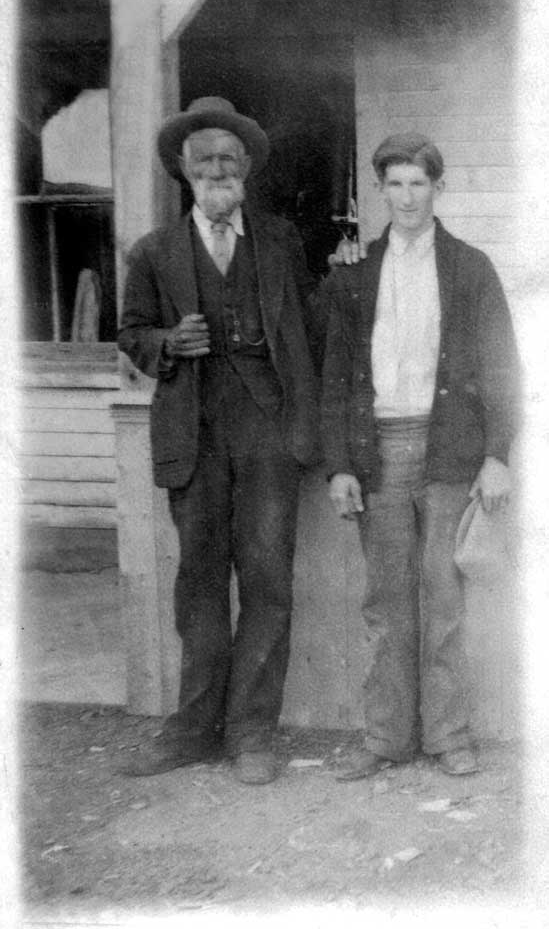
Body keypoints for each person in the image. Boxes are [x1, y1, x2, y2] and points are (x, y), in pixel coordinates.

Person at [117, 96, 319, 785]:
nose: (217, 168)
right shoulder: (152, 251)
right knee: (198, 583)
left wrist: (308, 427)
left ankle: (252, 732)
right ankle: (193, 730)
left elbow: (310, 330)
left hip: (267, 435)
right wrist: (168, 344)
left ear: (246, 169)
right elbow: (131, 334)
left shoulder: (281, 239)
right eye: (204, 158)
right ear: (184, 169)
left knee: (266, 581)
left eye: (229, 158)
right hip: (194, 436)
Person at [321, 133, 520, 780]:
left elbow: (501, 368)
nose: (407, 197)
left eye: (418, 183)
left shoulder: (469, 267)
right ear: (379, 190)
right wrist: (340, 465)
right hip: (377, 450)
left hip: (447, 452)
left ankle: (448, 735)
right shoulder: (354, 271)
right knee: (385, 603)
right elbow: (335, 373)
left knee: (443, 599)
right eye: (395, 184)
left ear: (438, 188)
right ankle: (385, 738)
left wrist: (496, 455)